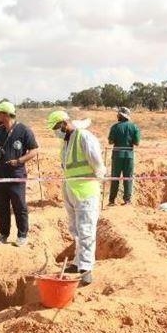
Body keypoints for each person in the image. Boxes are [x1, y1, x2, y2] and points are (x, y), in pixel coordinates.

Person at [48, 110, 105, 285]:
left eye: (57, 127)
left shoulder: (83, 136)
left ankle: (86, 268)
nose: (56, 132)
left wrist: (99, 176)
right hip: (71, 189)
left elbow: (97, 162)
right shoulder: (66, 141)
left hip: (86, 190)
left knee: (86, 228)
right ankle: (78, 262)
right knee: (76, 229)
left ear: (64, 123)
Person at [0, 101, 39, 246]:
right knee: (1, 206)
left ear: (6, 114)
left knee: (19, 206)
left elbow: (34, 150)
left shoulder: (23, 130)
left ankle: (22, 235)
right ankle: (3, 234)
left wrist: (19, 161)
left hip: (16, 175)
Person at [107, 107, 140, 205]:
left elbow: (110, 141)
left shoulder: (115, 127)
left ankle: (112, 200)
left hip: (117, 155)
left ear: (120, 115)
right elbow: (137, 142)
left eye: (118, 114)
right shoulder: (134, 127)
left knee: (115, 178)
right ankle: (127, 200)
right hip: (129, 155)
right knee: (128, 178)